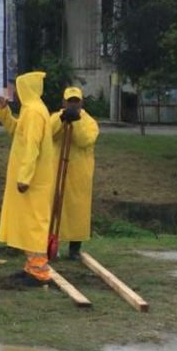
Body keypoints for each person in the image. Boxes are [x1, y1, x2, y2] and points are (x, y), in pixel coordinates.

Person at [0, 72, 60, 286]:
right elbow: (17, 132)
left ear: (27, 89)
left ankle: (39, 272)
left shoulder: (34, 113)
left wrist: (24, 177)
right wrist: (4, 111)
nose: (16, 92)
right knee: (28, 223)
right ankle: (32, 267)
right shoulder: (31, 110)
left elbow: (32, 147)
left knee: (34, 224)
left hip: (33, 181)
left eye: (18, 88)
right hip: (32, 179)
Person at [51, 87, 100, 260]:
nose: (72, 105)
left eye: (75, 102)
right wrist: (62, 119)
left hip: (80, 172)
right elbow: (49, 133)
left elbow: (84, 140)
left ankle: (74, 249)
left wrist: (76, 121)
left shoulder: (89, 122)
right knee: (55, 208)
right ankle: (52, 245)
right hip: (57, 168)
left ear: (81, 102)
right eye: (69, 101)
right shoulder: (56, 117)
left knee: (78, 210)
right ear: (63, 102)